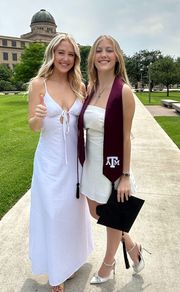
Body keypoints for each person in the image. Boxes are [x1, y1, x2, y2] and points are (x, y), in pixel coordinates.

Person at [28, 33, 93, 292]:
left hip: (74, 165)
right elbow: (33, 126)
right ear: (52, 54)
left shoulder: (80, 85)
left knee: (72, 216)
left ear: (75, 58)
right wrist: (39, 116)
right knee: (53, 215)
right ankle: (56, 273)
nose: (65, 58)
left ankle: (71, 260)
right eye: (60, 53)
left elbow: (88, 123)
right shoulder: (38, 84)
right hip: (49, 163)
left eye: (70, 54)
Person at [78, 35, 145, 284]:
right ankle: (132, 246)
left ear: (117, 57)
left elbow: (126, 137)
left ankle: (108, 264)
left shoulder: (124, 92)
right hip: (92, 163)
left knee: (112, 216)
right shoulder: (90, 88)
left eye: (109, 50)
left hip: (113, 165)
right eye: (99, 50)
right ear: (92, 57)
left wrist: (125, 176)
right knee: (98, 212)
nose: (103, 54)